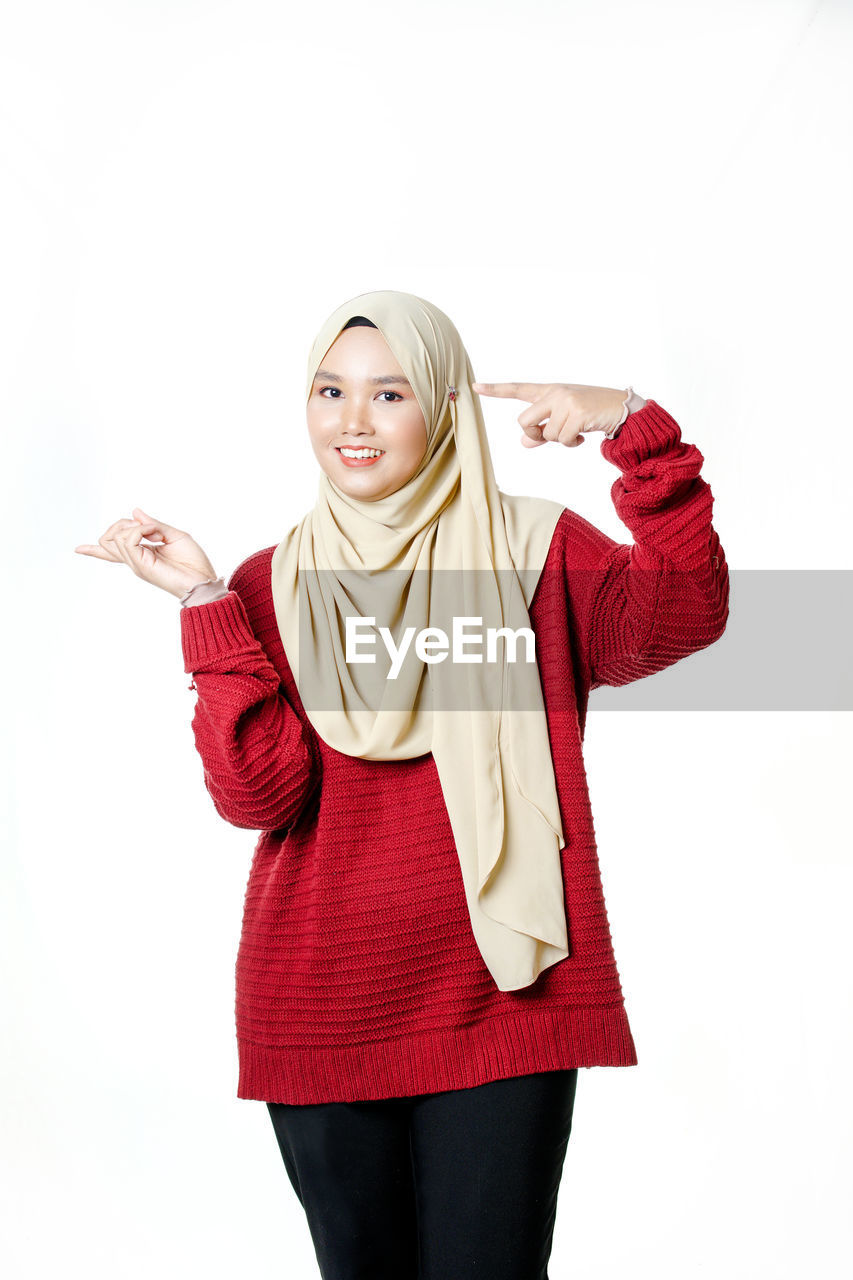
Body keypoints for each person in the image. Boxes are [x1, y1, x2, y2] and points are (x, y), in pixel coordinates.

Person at [74, 289, 730, 1280]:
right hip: (322, 1000)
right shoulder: (268, 583)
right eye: (330, 390)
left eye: (390, 392)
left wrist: (632, 425)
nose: (352, 418)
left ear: (444, 409)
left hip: (505, 992)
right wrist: (207, 605)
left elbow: (682, 612)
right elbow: (258, 795)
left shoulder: (534, 552)